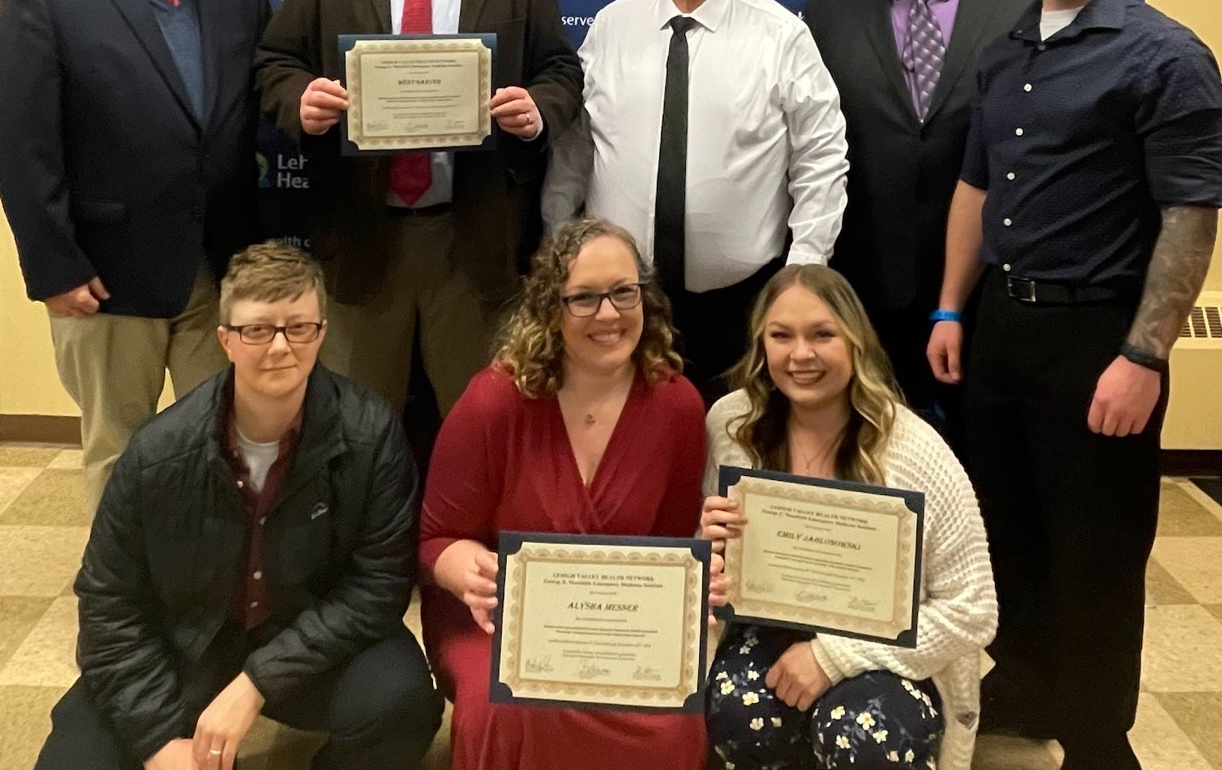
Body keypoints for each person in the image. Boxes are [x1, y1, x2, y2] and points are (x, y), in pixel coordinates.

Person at [926, 0, 1222, 770]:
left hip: (1103, 340)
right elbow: (975, 188)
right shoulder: (1008, 49)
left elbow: (1192, 213)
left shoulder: (1166, 55)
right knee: (1007, 532)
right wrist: (948, 310)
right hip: (1003, 331)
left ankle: (1099, 740)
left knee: (1097, 552)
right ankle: (1025, 694)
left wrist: (1146, 353)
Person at [34, 241, 443, 770]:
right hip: (184, 643)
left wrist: (256, 682)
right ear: (225, 339)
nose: (280, 348)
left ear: (322, 333)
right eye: (257, 330)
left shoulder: (372, 434)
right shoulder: (158, 452)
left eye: (299, 327)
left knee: (402, 702)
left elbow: (378, 589)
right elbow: (109, 603)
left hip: (304, 636)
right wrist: (157, 742)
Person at [256, 0, 583, 431]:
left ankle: (467, 532)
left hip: (473, 237)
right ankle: (365, 532)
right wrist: (298, 98)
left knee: (480, 424)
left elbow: (561, 71)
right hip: (359, 233)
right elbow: (275, 62)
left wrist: (539, 110)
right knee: (357, 423)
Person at [0, 0, 270, 510]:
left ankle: (209, 597)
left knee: (223, 445)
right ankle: (124, 609)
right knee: (121, 450)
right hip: (105, 274)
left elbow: (255, 114)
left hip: (216, 268)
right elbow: (23, 141)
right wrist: (53, 266)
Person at [543, 0, 848, 402]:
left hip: (740, 303)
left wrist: (804, 273)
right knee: (632, 442)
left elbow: (820, 155)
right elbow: (577, 144)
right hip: (621, 303)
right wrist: (559, 242)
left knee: (733, 443)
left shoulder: (780, 34)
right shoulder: (613, 26)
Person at [418, 216, 708, 770]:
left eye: (624, 293)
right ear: (552, 308)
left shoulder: (678, 406)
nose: (608, 314)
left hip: (620, 623)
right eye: (584, 298)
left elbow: (670, 550)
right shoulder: (494, 401)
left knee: (675, 721)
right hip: (498, 619)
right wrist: (464, 566)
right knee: (501, 710)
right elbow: (434, 539)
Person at [702, 264, 996, 770]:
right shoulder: (731, 425)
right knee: (736, 710)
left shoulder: (916, 452)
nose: (801, 354)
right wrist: (709, 557)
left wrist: (832, 657)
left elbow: (973, 611)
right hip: (768, 629)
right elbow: (711, 577)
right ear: (760, 344)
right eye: (781, 336)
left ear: (857, 341)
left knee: (864, 734)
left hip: (888, 651)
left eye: (822, 334)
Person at [803, 0, 1031, 433]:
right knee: (868, 449)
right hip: (865, 282)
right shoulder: (827, 15)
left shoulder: (1024, 10)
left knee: (982, 452)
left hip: (987, 283)